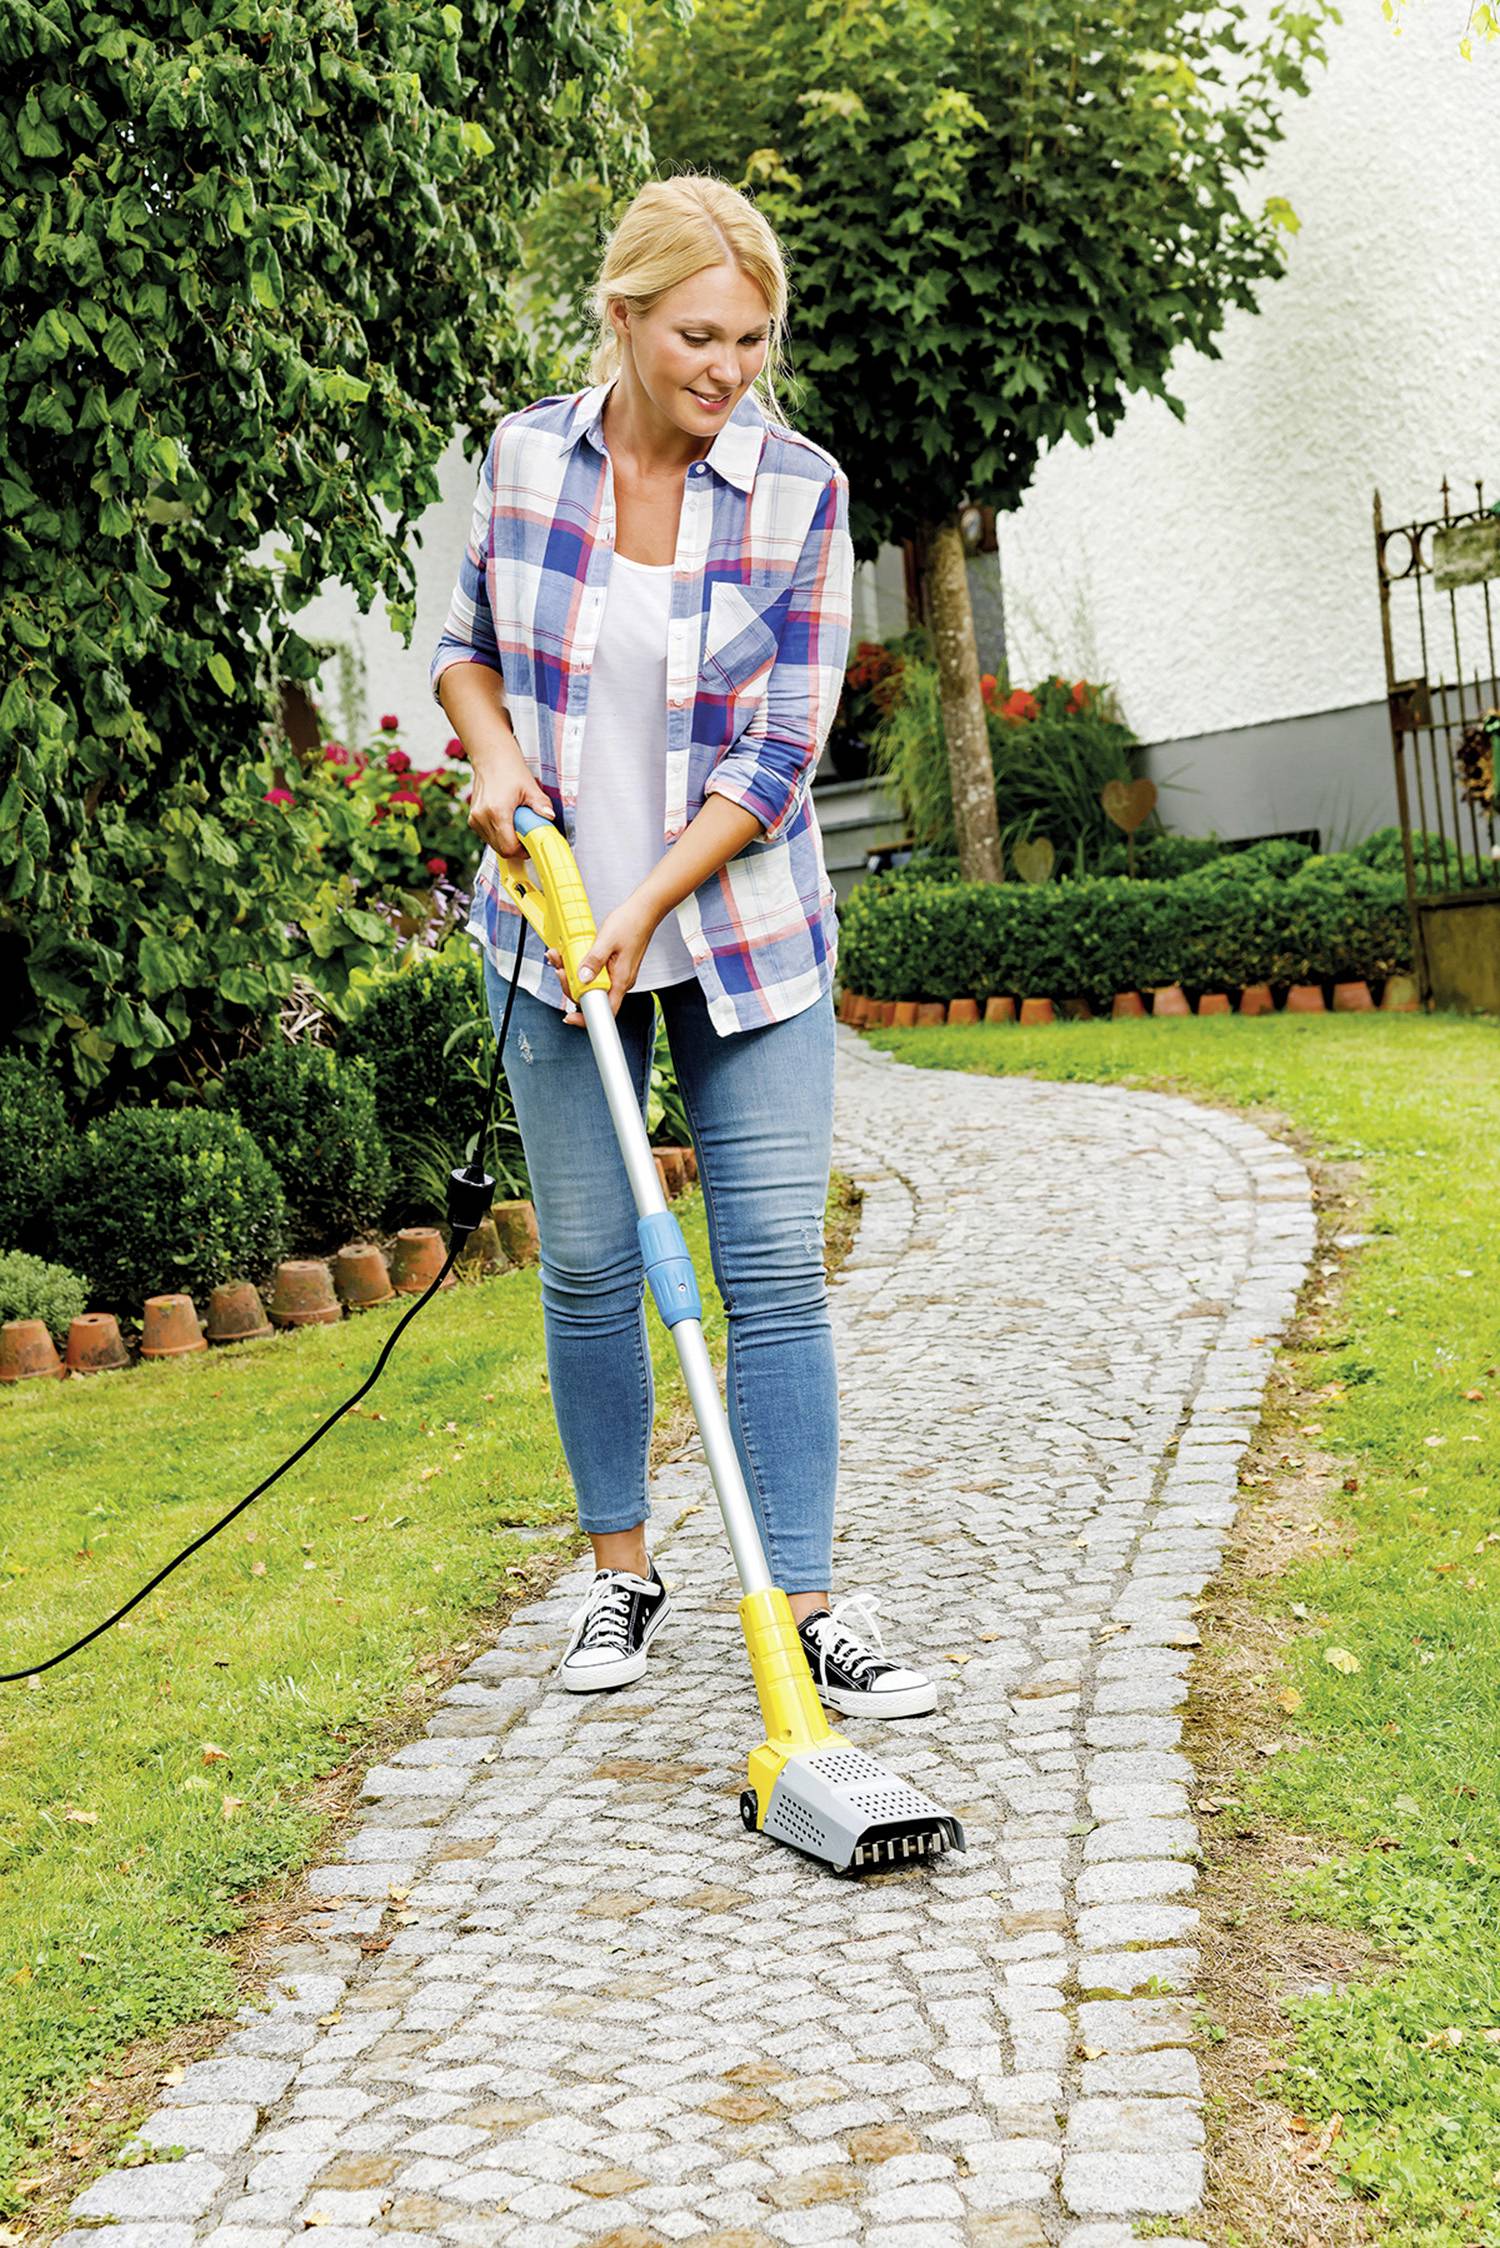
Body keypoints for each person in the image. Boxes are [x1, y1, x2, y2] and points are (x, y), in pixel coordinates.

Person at [431, 171, 935, 1722]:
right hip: (550, 933)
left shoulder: (802, 491)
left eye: (753, 343)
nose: (728, 371)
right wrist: (494, 762)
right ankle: (619, 1579)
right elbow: (465, 653)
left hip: (741, 933)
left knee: (772, 1270)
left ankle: (804, 1603)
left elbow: (781, 757)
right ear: (626, 318)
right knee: (590, 1269)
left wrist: (648, 901)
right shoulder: (525, 461)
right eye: (701, 338)